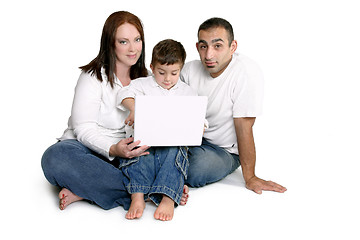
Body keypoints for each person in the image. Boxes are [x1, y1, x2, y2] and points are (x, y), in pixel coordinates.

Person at [41, 11, 189, 216]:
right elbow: (82, 127)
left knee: (174, 150)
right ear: (110, 43)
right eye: (123, 41)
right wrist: (113, 149)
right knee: (55, 158)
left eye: (137, 40)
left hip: (131, 154)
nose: (133, 48)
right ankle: (155, 190)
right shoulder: (92, 77)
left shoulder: (151, 78)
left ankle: (90, 191)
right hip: (89, 150)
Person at [180, 17, 287, 194]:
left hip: (224, 150)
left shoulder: (246, 72)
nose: (209, 55)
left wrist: (250, 177)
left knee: (196, 168)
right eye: (204, 46)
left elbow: (244, 127)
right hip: (190, 140)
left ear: (233, 47)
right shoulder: (189, 70)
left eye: (217, 46)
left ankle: (168, 168)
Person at [117, 39, 199, 221]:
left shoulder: (187, 92)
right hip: (143, 140)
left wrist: (200, 125)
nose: (167, 79)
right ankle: (137, 196)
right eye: (161, 73)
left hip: (172, 143)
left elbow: (198, 114)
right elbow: (123, 94)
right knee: (138, 153)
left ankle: (168, 197)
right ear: (152, 67)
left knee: (175, 155)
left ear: (181, 70)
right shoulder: (142, 84)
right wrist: (134, 108)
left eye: (174, 73)